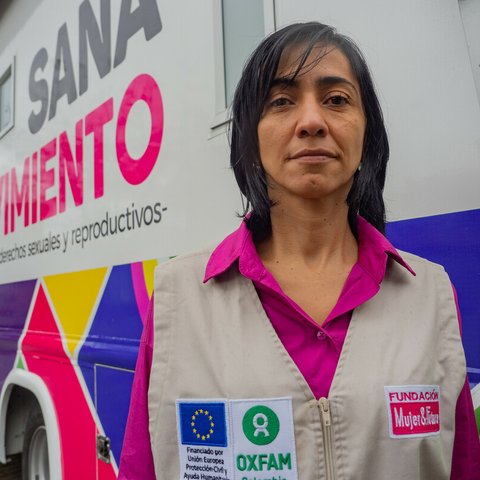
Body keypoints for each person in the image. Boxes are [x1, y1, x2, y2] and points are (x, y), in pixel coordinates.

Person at [119, 22, 480, 479]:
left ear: (367, 133)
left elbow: (463, 465)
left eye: (337, 100)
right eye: (282, 101)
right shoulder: (178, 298)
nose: (311, 121)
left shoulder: (429, 294)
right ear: (250, 137)